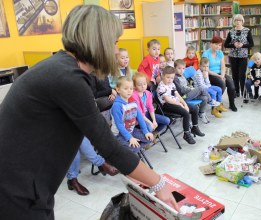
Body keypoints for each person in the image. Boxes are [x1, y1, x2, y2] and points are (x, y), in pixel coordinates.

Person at [0, 5, 178, 219]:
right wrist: (158, 182)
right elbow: (108, 145)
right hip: (16, 190)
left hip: (24, 184)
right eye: (114, 42)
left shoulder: (63, 68)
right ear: (99, 42)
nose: (115, 50)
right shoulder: (68, 79)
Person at [157, 66, 204, 145]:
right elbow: (168, 100)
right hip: (167, 105)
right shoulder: (161, 87)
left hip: (176, 102)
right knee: (185, 112)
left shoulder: (171, 84)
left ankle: (194, 127)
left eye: (172, 78)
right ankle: (186, 134)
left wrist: (184, 104)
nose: (170, 80)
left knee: (194, 108)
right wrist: (180, 104)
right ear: (163, 76)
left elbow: (177, 95)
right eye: (168, 77)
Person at [111, 76, 154, 153]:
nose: (129, 91)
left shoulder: (133, 102)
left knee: (150, 138)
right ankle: (125, 153)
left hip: (131, 130)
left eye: (131, 88)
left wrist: (146, 131)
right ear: (118, 89)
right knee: (135, 148)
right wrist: (130, 138)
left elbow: (140, 118)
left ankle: (130, 151)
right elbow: (119, 125)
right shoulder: (117, 105)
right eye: (126, 88)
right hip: (119, 134)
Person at [202, 36, 237, 112]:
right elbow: (206, 69)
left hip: (220, 73)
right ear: (211, 44)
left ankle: (232, 104)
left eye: (220, 45)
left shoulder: (220, 53)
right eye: (216, 44)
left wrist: (223, 75)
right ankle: (216, 105)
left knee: (231, 83)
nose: (218, 47)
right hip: (210, 74)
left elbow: (223, 66)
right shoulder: (206, 54)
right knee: (222, 84)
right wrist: (220, 76)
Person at [224, 14, 254, 98]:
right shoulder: (231, 31)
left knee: (242, 75)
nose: (238, 22)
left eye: (239, 20)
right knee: (234, 75)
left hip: (243, 56)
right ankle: (236, 91)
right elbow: (226, 44)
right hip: (232, 56)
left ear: (242, 21)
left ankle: (243, 91)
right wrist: (233, 45)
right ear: (234, 22)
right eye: (236, 20)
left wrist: (242, 45)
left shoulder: (247, 31)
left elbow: (251, 44)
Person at [173, 59, 210, 124]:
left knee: (204, 98)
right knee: (200, 88)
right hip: (183, 97)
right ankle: (211, 100)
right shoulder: (175, 78)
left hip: (189, 94)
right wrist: (191, 89)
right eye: (179, 68)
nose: (182, 70)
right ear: (175, 68)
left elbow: (187, 85)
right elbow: (181, 90)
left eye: (183, 68)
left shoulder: (183, 75)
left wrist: (191, 88)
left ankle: (201, 113)